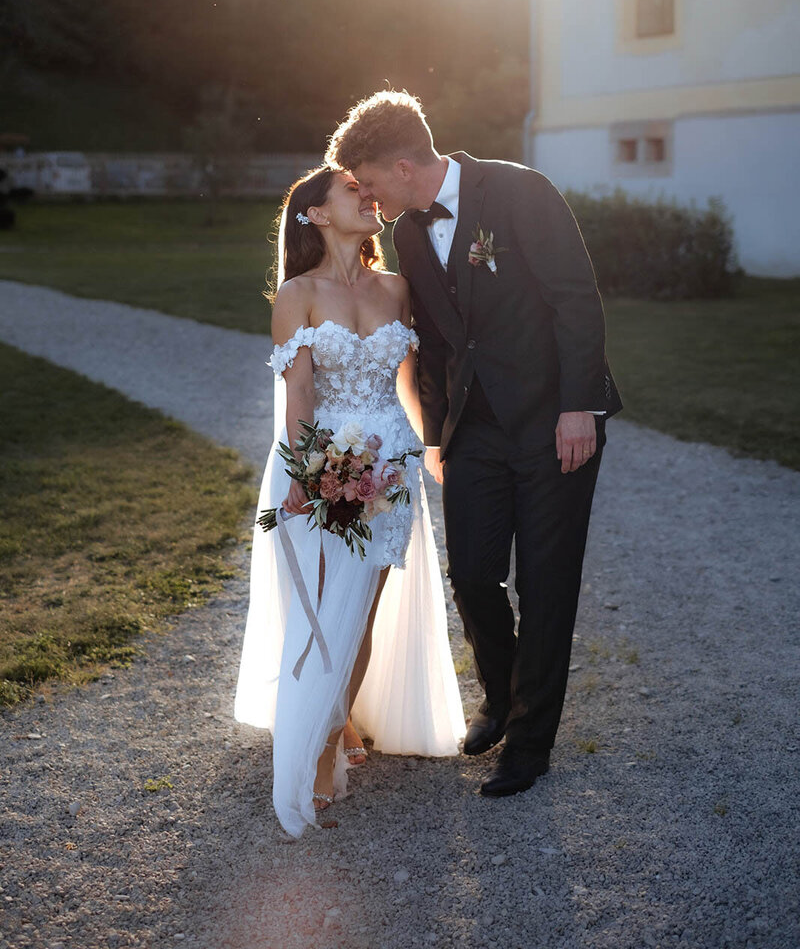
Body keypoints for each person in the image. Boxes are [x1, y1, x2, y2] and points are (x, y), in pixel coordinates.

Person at [327, 91, 622, 798]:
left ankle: (530, 743)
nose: (367, 198)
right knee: (474, 575)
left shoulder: (521, 190)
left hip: (556, 422)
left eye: (369, 184)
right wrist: (436, 435)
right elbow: (431, 343)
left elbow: (575, 298)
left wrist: (578, 405)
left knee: (546, 585)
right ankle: (500, 693)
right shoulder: (405, 234)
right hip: (475, 433)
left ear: (402, 166)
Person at [234, 164, 465, 838]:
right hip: (324, 463)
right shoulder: (296, 296)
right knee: (324, 610)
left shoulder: (397, 288)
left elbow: (413, 382)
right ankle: (319, 742)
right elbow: (298, 397)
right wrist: (308, 476)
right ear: (318, 214)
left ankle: (337, 727)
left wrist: (431, 447)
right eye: (352, 193)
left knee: (361, 612)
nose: (369, 200)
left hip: (390, 460)